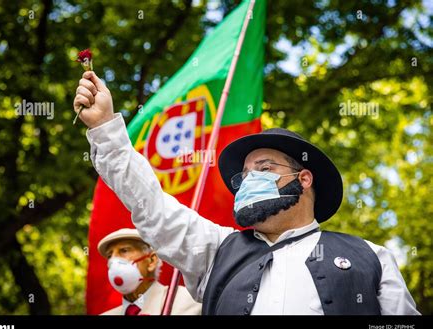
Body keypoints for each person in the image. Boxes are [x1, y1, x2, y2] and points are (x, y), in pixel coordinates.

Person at [74, 71, 420, 315]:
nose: (249, 179)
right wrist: (106, 129)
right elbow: (149, 203)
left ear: (304, 180)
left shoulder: (371, 257)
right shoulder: (214, 251)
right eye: (245, 174)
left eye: (265, 168)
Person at [98, 228, 201, 315]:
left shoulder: (185, 300)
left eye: (124, 251)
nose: (113, 260)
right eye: (109, 255)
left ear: (152, 260)